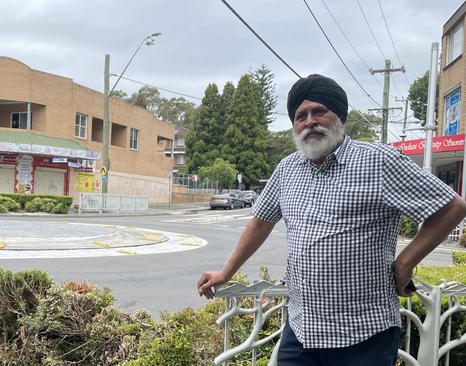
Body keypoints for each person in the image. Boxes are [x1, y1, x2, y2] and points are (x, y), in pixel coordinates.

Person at [197, 74, 466, 366]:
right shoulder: (287, 169)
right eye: (300, 116)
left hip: (364, 334)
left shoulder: (379, 161)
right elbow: (260, 222)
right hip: (301, 331)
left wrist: (404, 263)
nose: (309, 121)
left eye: (319, 111)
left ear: (339, 116)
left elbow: (451, 207)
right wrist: (226, 272)